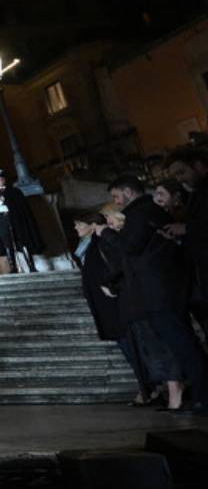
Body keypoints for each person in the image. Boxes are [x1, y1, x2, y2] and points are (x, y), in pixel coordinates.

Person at [100, 175, 206, 414]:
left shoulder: (142, 212)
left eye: (117, 196)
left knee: (184, 344)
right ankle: (201, 396)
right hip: (159, 292)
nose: (116, 202)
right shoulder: (144, 213)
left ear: (128, 192)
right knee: (182, 344)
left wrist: (106, 233)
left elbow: (130, 247)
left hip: (163, 293)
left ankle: (202, 397)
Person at [72, 211, 148, 404]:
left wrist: (111, 287)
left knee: (131, 346)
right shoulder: (87, 247)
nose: (76, 228)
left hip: (114, 303)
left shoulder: (101, 243)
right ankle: (147, 387)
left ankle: (148, 388)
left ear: (91, 225)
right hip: (103, 303)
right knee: (126, 346)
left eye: (79, 224)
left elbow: (118, 266)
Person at [161, 146, 208, 340]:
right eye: (176, 176)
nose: (180, 179)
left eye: (182, 172)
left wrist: (187, 229)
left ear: (198, 166)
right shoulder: (197, 192)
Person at [0, 169, 45, 273]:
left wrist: (10, 208)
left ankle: (31, 266)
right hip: (2, 222)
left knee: (23, 242)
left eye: (2, 178)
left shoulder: (15, 192)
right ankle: (13, 267)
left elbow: (22, 207)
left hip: (16, 221)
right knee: (7, 244)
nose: (0, 180)